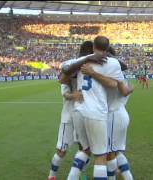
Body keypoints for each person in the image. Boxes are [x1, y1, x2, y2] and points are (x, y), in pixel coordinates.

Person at [63, 36, 124, 180]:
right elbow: (114, 84)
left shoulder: (82, 60)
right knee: (101, 156)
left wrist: (84, 61)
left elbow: (64, 71)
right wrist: (94, 72)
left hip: (78, 111)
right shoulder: (112, 62)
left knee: (85, 150)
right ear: (108, 47)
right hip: (95, 112)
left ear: (94, 46)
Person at [81, 46, 135, 180]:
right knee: (115, 152)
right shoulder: (118, 74)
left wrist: (93, 72)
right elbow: (124, 89)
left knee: (108, 153)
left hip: (113, 115)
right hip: (120, 113)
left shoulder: (110, 76)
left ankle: (118, 176)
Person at [48, 41, 96, 180]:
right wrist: (73, 95)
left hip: (83, 114)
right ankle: (52, 176)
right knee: (61, 150)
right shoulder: (69, 67)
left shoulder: (88, 69)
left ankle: (81, 174)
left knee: (85, 149)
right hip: (68, 116)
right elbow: (64, 92)